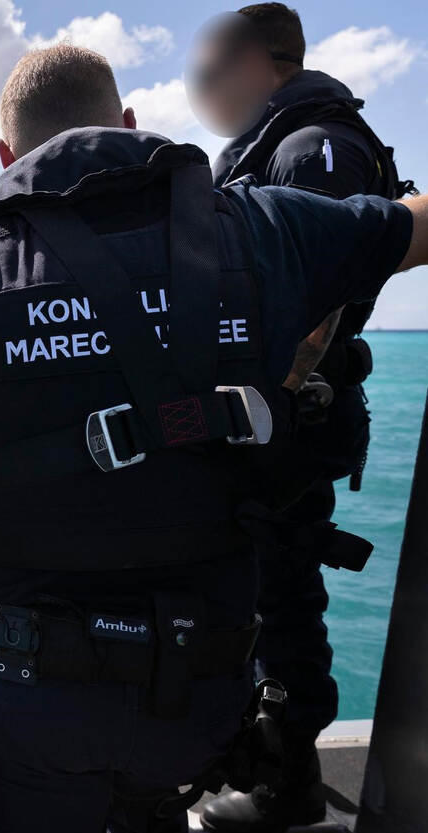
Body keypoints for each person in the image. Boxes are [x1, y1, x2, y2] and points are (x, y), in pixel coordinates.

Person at [0, 44, 427, 833]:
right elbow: (416, 227)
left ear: (7, 156)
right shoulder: (264, 228)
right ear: (128, 125)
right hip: (204, 700)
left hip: (29, 710)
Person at [185, 7, 414, 829]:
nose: (196, 91)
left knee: (278, 598)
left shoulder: (314, 147)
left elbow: (315, 294)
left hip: (280, 427)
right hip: (263, 422)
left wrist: (256, 399)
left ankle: (287, 785)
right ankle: (260, 761)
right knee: (255, 593)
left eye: (204, 73)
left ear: (259, 62)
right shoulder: (282, 145)